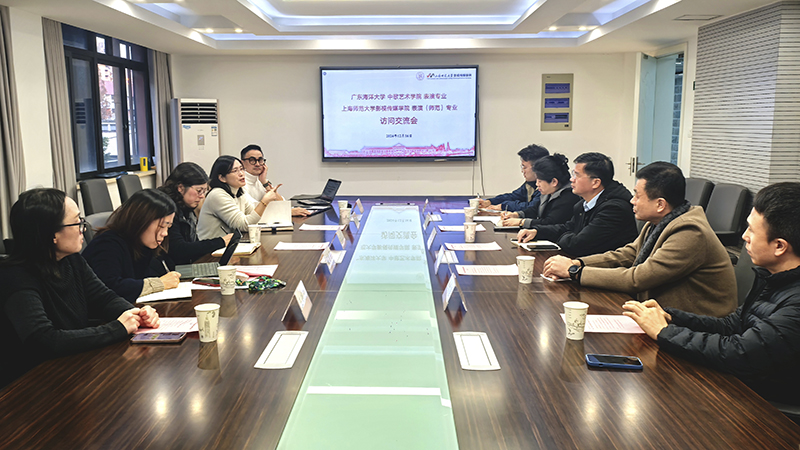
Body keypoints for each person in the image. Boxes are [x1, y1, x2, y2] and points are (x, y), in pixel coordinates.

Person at [623, 182, 800, 408]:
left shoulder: (795, 301)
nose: (744, 236)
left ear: (780, 246)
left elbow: (739, 352)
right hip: (742, 384)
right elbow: (732, 325)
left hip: (764, 406)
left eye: (752, 231)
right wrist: (671, 317)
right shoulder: (773, 277)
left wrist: (664, 332)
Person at [0, 189, 159, 387]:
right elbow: (43, 340)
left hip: (71, 367)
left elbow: (104, 297)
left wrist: (135, 313)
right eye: (77, 222)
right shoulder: (16, 276)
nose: (83, 229)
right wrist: (117, 328)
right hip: (28, 384)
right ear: (52, 234)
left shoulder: (71, 260)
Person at [543, 162, 737, 316]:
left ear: (660, 204)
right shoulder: (660, 221)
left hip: (697, 325)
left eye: (637, 195)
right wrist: (577, 263)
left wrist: (574, 272)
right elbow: (628, 254)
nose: (632, 200)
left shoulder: (690, 232)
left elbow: (637, 279)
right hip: (661, 312)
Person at [517, 152, 638, 257]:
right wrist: (537, 232)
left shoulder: (614, 209)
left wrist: (567, 236)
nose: (572, 179)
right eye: (573, 174)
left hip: (607, 270)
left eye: (577, 175)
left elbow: (577, 244)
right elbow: (568, 227)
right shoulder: (583, 203)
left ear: (595, 183)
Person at [83, 189, 182, 304]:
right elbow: (110, 287)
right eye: (161, 226)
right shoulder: (107, 244)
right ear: (140, 220)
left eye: (168, 227)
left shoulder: (142, 245)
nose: (165, 233)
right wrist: (159, 283)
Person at [158, 162, 233, 265]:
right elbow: (179, 249)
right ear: (180, 188)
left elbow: (192, 244)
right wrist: (220, 242)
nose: (202, 196)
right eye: (199, 191)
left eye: (204, 191)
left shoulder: (186, 207)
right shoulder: (167, 209)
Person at [197, 155, 282, 240]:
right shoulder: (217, 194)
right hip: (213, 246)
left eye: (241, 169)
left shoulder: (239, 192)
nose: (241, 174)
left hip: (231, 244)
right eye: (235, 171)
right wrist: (264, 201)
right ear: (222, 178)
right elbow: (244, 225)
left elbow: (254, 216)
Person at [499, 153, 579, 228]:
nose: (537, 184)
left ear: (554, 182)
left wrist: (521, 222)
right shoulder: (549, 192)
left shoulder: (568, 197)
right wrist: (516, 215)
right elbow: (535, 209)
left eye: (540, 181)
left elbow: (550, 222)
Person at [240, 144, 310, 217]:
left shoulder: (261, 180)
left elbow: (281, 202)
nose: (257, 164)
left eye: (260, 160)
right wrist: (288, 212)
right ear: (242, 163)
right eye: (252, 160)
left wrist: (264, 182)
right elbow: (253, 208)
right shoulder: (240, 183)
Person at [478, 144, 549, 212]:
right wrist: (489, 202)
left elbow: (532, 207)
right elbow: (513, 196)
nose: (522, 171)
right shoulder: (530, 184)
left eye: (525, 167)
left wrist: (504, 206)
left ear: (537, 167)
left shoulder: (547, 185)